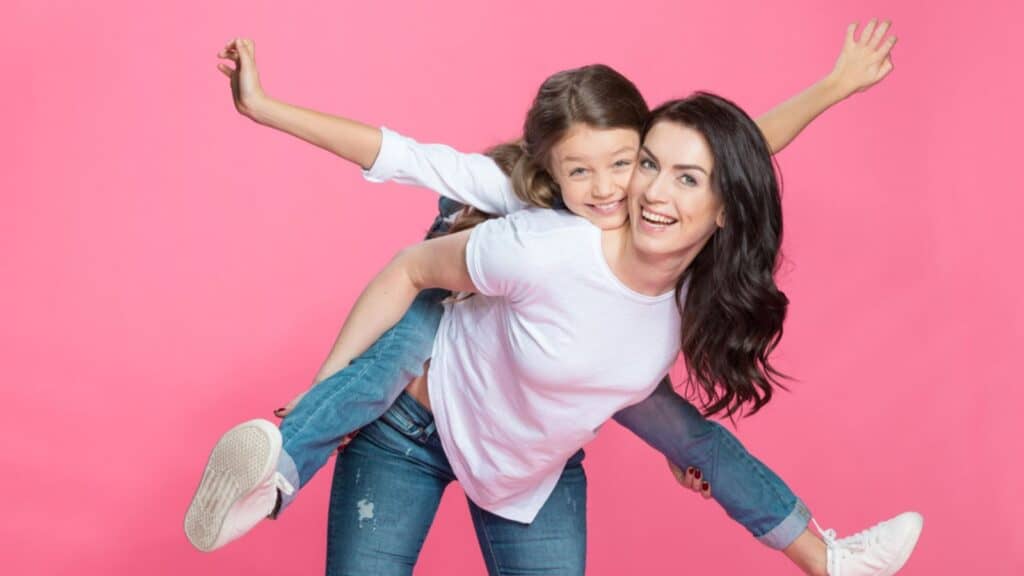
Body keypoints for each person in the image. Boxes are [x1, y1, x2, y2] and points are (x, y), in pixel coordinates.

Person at [187, 21, 920, 576]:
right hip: (427, 400)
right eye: (587, 171)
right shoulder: (537, 225)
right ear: (553, 168)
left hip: (536, 447)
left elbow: (739, 152)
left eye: (635, 165)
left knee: (693, 436)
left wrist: (834, 85)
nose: (622, 190)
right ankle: (278, 470)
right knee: (399, 348)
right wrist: (266, 107)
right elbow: (403, 165)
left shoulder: (679, 233)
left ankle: (832, 559)